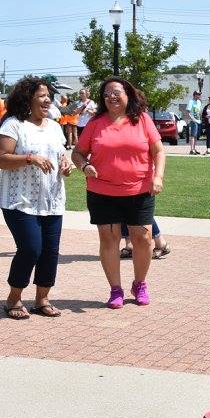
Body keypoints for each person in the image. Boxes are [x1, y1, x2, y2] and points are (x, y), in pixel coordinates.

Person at [71, 78, 166, 309]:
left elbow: (159, 151)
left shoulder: (142, 119)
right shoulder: (95, 123)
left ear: (127, 95)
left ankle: (139, 284)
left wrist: (158, 177)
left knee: (142, 239)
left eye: (116, 92)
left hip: (139, 189)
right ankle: (115, 289)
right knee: (109, 239)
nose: (111, 97)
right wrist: (84, 166)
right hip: (102, 191)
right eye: (106, 94)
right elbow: (78, 153)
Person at [0, 77, 72, 319]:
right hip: (19, 201)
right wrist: (30, 158)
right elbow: (0, 159)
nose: (47, 100)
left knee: (50, 252)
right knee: (30, 248)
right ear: (27, 99)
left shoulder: (55, 127)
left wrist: (66, 163)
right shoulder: (13, 125)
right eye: (41, 96)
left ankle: (42, 299)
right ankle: (13, 298)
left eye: (48, 95)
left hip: (51, 200)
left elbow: (60, 154)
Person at [186, 91, 203, 155]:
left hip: (199, 120)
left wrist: (200, 118)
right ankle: (191, 150)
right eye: (198, 94)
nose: (199, 96)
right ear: (194, 95)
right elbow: (188, 112)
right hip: (194, 121)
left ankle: (194, 148)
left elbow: (200, 111)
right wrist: (192, 119)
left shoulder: (199, 102)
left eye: (200, 95)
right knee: (193, 135)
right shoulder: (191, 101)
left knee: (196, 136)